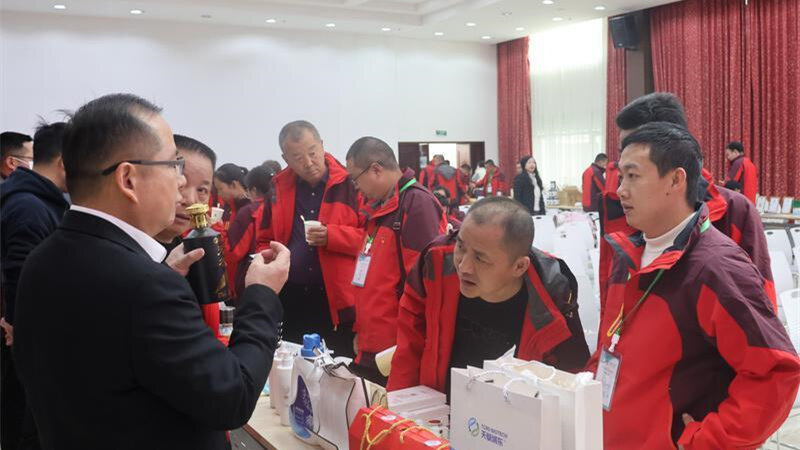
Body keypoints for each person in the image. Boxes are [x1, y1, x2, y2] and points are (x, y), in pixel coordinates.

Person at [13, 93, 289, 450]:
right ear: (128, 179)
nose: (181, 184)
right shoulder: (144, 286)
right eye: (174, 165)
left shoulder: (43, 259)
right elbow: (232, 397)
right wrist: (261, 295)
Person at [588, 121, 800, 449]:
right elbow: (611, 343)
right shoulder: (627, 253)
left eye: (633, 176)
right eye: (620, 177)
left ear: (676, 180)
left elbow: (775, 373)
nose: (621, 191)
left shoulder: (714, 267)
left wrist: (707, 440)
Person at [388, 197, 590, 394]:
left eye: (480, 258)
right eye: (461, 247)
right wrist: (399, 406)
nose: (463, 267)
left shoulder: (551, 297)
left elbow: (569, 381)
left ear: (519, 266)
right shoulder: (435, 264)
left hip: (513, 411)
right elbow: (408, 347)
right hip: (435, 407)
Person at [600, 92, 774, 319]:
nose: (625, 157)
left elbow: (760, 304)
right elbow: (611, 299)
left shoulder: (734, 211)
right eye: (622, 151)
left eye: (636, 147)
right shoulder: (618, 206)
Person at [255, 120, 362, 358]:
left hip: (336, 297)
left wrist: (332, 236)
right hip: (291, 293)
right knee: (293, 362)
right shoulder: (278, 186)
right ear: (285, 158)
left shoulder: (349, 184)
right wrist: (269, 256)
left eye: (312, 152)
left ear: (322, 146)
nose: (308, 162)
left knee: (338, 365)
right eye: (297, 157)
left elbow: (371, 240)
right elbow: (264, 237)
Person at [345, 136, 447, 384]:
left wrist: (408, 347)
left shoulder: (416, 204)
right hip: (373, 342)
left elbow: (425, 285)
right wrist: (362, 332)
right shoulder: (381, 207)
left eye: (356, 178)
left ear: (376, 169)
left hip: (397, 348)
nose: (356, 187)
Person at [0, 121, 69, 450]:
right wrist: (18, 325)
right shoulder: (31, 206)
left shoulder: (35, 199)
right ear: (64, 162)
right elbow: (20, 272)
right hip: (18, 339)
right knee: (21, 422)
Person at [153, 134, 222, 339]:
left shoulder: (192, 250)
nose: (191, 200)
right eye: (180, 183)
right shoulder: (127, 255)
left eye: (202, 189)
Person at [228, 166, 273, 301]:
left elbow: (233, 252)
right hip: (279, 276)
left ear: (253, 190)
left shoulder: (249, 212)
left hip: (252, 279)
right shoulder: (282, 208)